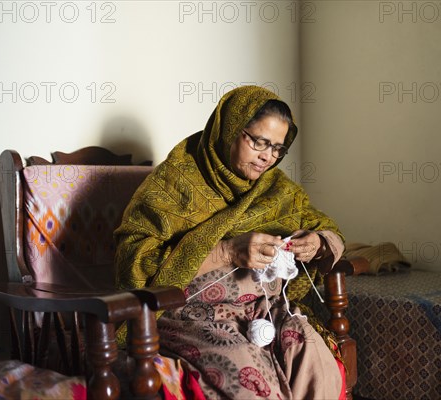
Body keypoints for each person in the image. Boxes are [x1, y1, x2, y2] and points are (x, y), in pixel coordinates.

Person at [115, 85, 345, 399]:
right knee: (247, 376)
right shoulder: (174, 184)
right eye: (260, 142)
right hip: (194, 315)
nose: (268, 156)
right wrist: (227, 251)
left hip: (266, 308)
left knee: (311, 354)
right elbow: (133, 264)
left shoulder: (279, 190)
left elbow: (328, 231)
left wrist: (318, 243)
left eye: (278, 148)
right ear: (230, 129)